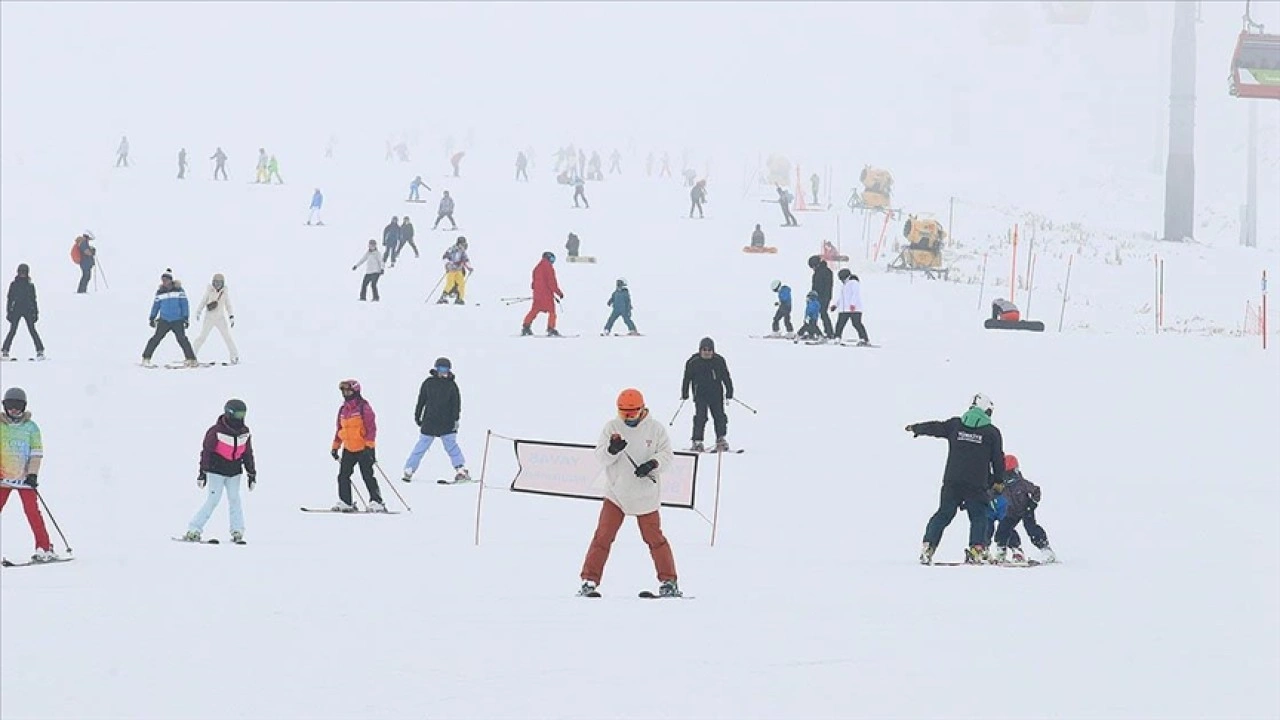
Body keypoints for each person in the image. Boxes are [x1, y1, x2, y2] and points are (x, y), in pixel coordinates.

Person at [578, 388, 679, 598]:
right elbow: (600, 457)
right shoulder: (612, 427)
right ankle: (589, 580)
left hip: (645, 496)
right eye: (623, 413)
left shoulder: (656, 429)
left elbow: (667, 455)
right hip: (616, 494)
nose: (628, 418)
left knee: (655, 539)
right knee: (602, 537)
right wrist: (612, 450)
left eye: (632, 414)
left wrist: (652, 464)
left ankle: (669, 581)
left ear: (642, 409)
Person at [906, 393, 1006, 565]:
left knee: (944, 514)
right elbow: (998, 459)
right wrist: (998, 481)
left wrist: (917, 428)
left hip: (952, 481)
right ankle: (976, 549)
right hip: (976, 483)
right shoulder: (991, 432)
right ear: (986, 410)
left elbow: (936, 427)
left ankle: (928, 546)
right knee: (978, 516)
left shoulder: (955, 425)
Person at [181, 399, 257, 543]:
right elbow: (206, 452)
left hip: (234, 472)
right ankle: (194, 529)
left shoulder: (244, 432)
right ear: (230, 413)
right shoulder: (216, 431)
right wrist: (202, 472)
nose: (241, 418)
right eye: (238, 414)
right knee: (213, 500)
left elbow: (247, 453)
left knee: (235, 499)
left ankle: (237, 531)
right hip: (216, 470)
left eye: (243, 414)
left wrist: (251, 473)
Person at [0, 387, 57, 562]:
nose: (13, 409)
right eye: (10, 405)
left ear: (24, 406)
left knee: (32, 512)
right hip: (3, 479)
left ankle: (44, 547)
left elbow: (36, 453)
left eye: (17, 405)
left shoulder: (31, 428)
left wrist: (32, 474)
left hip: (24, 479)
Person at [402, 357, 470, 484]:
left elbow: (456, 405)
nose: (442, 372)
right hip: (430, 421)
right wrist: (417, 416)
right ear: (436, 369)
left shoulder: (452, 385)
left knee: (451, 447)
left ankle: (460, 469)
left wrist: (456, 420)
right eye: (440, 369)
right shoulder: (428, 383)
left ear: (449, 370)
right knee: (421, 446)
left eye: (445, 369)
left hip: (447, 423)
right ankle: (409, 469)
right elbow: (421, 400)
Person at [330, 380, 385, 512]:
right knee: (343, 475)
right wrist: (335, 446)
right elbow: (339, 429)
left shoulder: (363, 407)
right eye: (343, 391)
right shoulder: (343, 410)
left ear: (355, 392)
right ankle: (345, 501)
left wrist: (370, 446)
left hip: (364, 448)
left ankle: (377, 502)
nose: (345, 394)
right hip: (349, 448)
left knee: (367, 475)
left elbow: (371, 428)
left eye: (348, 391)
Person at [992, 455, 1055, 563]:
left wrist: (1033, 503)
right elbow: (991, 493)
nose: (1008, 478)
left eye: (1010, 474)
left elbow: (1036, 490)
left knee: (1031, 528)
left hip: (1026, 509)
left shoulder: (1022, 483)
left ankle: (1046, 550)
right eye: (1006, 475)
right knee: (1003, 529)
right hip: (1012, 511)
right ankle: (1001, 551)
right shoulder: (1002, 485)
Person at [681, 337, 734, 452]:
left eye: (710, 350)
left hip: (716, 395)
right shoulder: (693, 362)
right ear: (700, 350)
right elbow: (687, 378)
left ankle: (721, 439)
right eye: (704, 349)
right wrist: (685, 392)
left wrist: (729, 391)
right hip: (700, 395)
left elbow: (726, 376)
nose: (707, 352)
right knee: (700, 417)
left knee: (719, 417)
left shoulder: (719, 361)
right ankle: (697, 441)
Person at [141, 270, 197, 368]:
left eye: (166, 280)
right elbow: (156, 305)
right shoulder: (160, 292)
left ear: (171, 280)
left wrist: (186, 318)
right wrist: (152, 317)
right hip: (164, 320)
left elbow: (184, 304)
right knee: (156, 339)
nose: (164, 282)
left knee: (182, 339)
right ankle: (146, 358)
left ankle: (191, 359)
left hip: (177, 320)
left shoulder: (179, 290)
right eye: (163, 280)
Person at [192, 273, 239, 364]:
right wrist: (198, 312)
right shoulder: (209, 291)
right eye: (215, 282)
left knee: (227, 337)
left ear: (222, 283)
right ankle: (191, 356)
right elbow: (203, 302)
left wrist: (231, 316)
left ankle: (234, 356)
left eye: (219, 283)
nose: (217, 285)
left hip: (220, 319)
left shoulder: (224, 293)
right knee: (202, 337)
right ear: (213, 283)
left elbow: (228, 305)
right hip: (209, 318)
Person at [3, 264, 44, 360]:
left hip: (28, 310)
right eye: (21, 272)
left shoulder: (30, 285)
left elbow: (34, 300)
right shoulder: (14, 284)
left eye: (24, 272)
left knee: (32, 330)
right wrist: (9, 312)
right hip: (16, 310)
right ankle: (5, 350)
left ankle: (40, 350)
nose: (22, 274)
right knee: (12, 331)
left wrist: (36, 313)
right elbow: (10, 299)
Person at [522, 251, 563, 336]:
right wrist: (559, 293)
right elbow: (552, 282)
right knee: (552, 312)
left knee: (534, 310)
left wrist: (537, 291)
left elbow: (533, 284)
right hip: (547, 295)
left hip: (537, 295)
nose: (552, 261)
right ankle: (551, 328)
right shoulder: (548, 267)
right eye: (552, 259)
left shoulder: (536, 268)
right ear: (548, 258)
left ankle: (526, 326)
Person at [831, 269, 870, 345]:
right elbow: (842, 297)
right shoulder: (844, 284)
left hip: (854, 309)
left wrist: (853, 304)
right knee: (840, 324)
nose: (841, 280)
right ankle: (837, 337)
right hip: (844, 309)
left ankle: (864, 339)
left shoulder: (854, 283)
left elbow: (855, 294)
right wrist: (835, 305)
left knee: (856, 323)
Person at [438, 237, 471, 304]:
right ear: (458, 244)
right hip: (451, 270)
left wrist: (469, 267)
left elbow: (466, 260)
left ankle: (459, 298)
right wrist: (448, 264)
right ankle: (443, 297)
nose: (463, 246)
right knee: (450, 283)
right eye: (462, 244)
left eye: (464, 244)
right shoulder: (452, 249)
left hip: (459, 269)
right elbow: (445, 257)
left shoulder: (463, 252)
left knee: (461, 284)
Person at [808, 255, 835, 338]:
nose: (812, 268)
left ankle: (829, 332)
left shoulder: (825, 272)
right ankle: (812, 331)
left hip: (824, 297)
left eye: (813, 266)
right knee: (814, 313)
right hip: (817, 296)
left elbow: (825, 286)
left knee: (823, 313)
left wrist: (821, 296)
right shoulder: (818, 272)